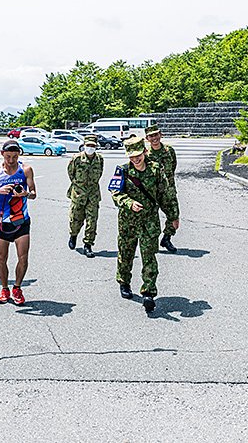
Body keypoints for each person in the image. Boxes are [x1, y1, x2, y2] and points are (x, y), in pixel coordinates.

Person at [109, 137, 179, 313]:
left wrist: (173, 216)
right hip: (127, 221)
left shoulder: (156, 170)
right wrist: (128, 202)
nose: (135, 159)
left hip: (149, 222)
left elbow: (165, 195)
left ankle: (149, 293)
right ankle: (124, 282)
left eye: (138, 155)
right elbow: (115, 193)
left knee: (149, 257)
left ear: (145, 152)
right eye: (131, 156)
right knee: (126, 254)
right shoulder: (122, 170)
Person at [0, 139, 37, 305]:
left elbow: (34, 193)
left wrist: (25, 194)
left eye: (14, 156)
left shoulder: (26, 169)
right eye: (8, 156)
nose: (11, 160)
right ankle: (4, 289)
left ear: (19, 154)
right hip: (2, 222)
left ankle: (17, 288)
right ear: (2, 154)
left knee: (23, 258)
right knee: (1, 258)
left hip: (21, 221)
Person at [67, 134, 104, 258]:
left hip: (93, 194)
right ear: (84, 145)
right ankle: (73, 235)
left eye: (93, 146)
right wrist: (79, 185)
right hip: (78, 194)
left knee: (92, 220)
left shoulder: (99, 159)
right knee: (75, 219)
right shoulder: (76, 159)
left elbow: (100, 174)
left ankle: (88, 245)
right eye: (88, 145)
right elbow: (71, 174)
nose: (90, 147)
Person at [145, 124, 180, 253]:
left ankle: (166, 238)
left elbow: (173, 166)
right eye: (151, 136)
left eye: (156, 135)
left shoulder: (169, 150)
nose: (154, 138)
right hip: (152, 191)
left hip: (168, 189)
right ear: (147, 138)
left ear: (160, 134)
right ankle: (151, 243)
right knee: (151, 218)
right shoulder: (146, 154)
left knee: (174, 214)